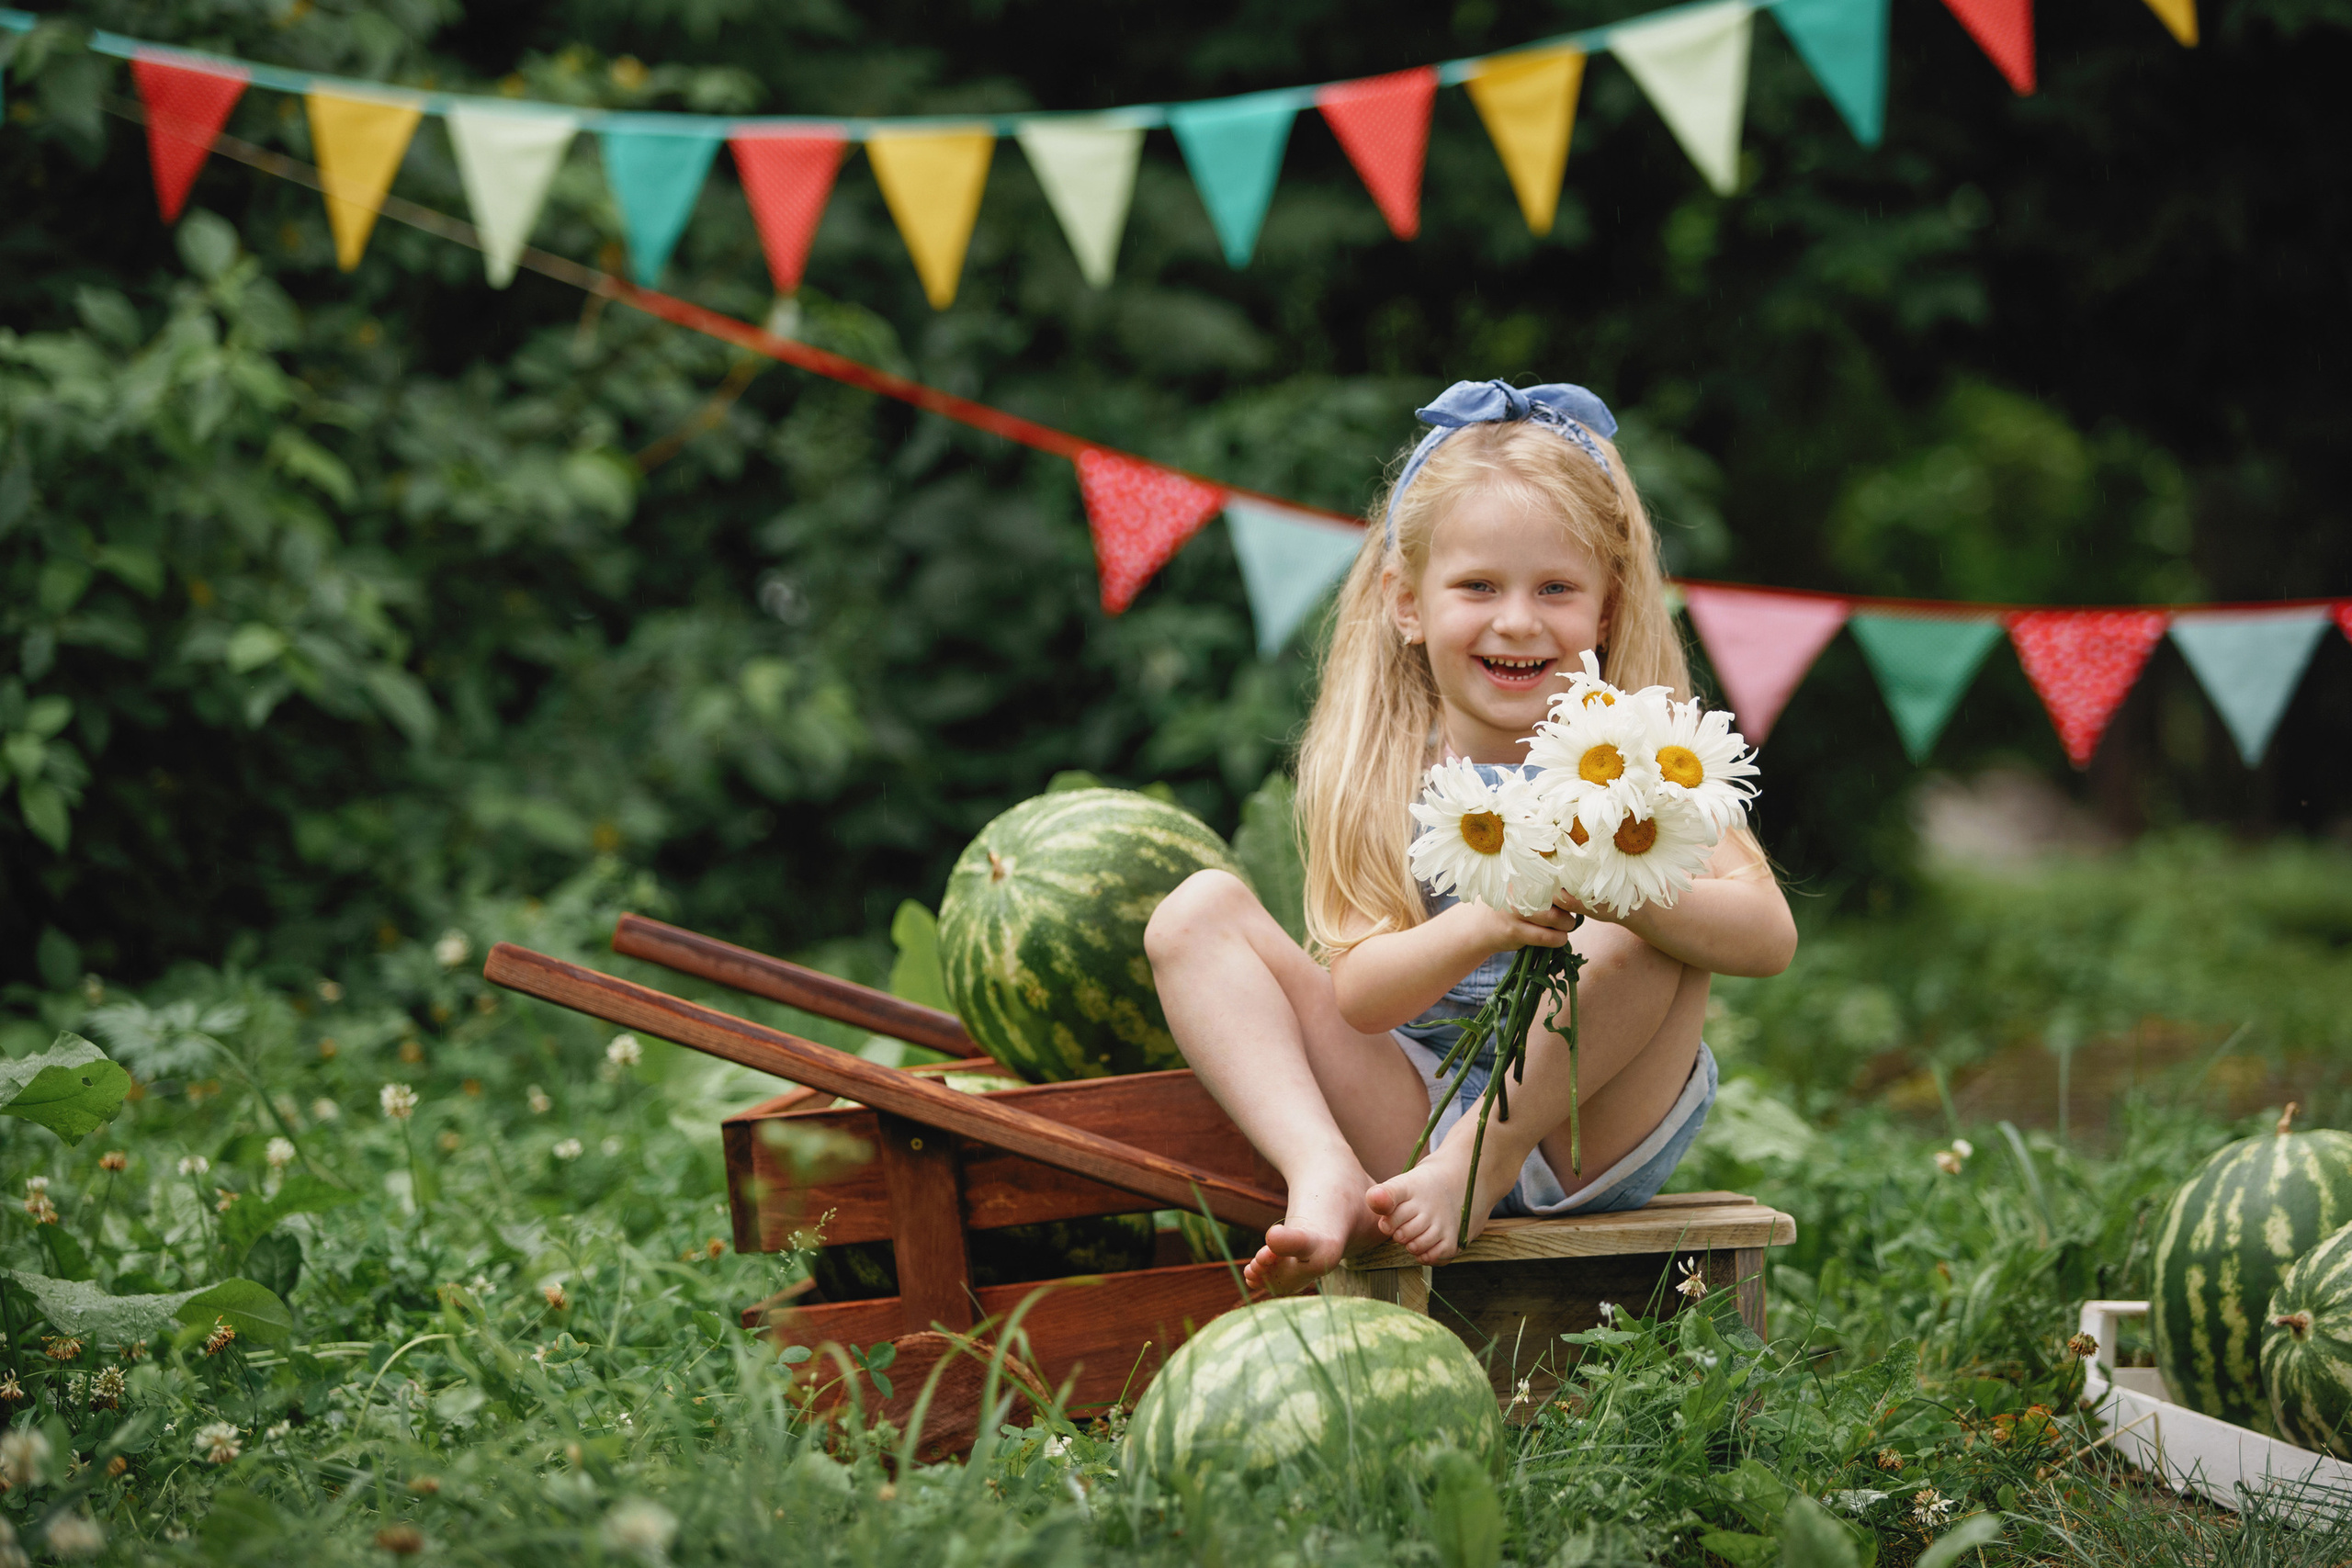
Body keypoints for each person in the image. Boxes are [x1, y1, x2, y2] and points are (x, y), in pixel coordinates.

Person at [1144, 379, 1797, 1295]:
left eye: (1557, 588)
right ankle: (1321, 1167)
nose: (1518, 619)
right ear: (1406, 604)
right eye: (1478, 586)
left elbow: (1769, 939)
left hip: (1584, 1125)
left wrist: (1625, 886)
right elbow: (1363, 997)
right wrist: (1488, 920)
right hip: (1413, 1113)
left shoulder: (1642, 750)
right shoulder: (1378, 770)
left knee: (1644, 903)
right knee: (1193, 914)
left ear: (1605, 610)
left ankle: (1485, 1161)